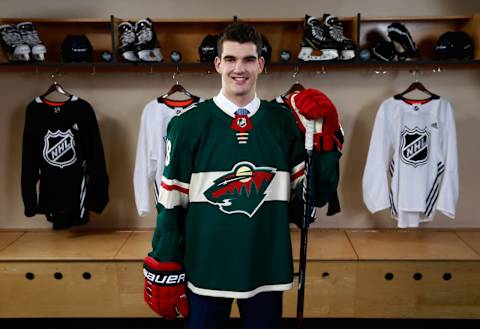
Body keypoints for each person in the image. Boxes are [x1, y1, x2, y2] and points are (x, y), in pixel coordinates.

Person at [142, 22, 305, 329]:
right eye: (230, 59)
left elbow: (308, 202)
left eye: (247, 59)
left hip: (265, 267)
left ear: (260, 64)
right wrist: (164, 257)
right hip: (204, 268)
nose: (238, 68)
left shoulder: (284, 123)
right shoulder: (188, 124)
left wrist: (326, 144)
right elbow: (171, 202)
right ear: (217, 64)